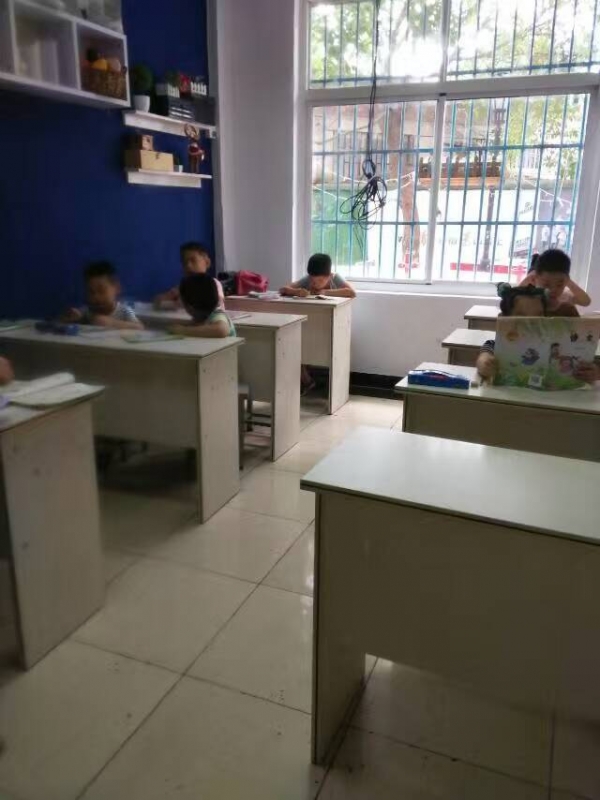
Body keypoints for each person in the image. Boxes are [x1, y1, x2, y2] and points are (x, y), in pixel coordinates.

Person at [477, 283, 597, 383]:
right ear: (505, 319)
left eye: (538, 317)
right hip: (510, 399)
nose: (531, 323)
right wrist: (484, 363)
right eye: (522, 317)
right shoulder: (499, 344)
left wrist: (594, 373)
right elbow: (486, 354)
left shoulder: (558, 344)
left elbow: (589, 362)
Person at [62, 261, 142, 330]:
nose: (96, 297)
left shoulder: (125, 310)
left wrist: (112, 323)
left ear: (117, 288)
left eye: (101, 291)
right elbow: (61, 324)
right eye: (91, 292)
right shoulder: (86, 312)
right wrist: (71, 319)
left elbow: (140, 327)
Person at [154, 242, 224, 310]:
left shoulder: (213, 284)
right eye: (184, 262)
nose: (188, 265)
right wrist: (172, 300)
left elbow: (217, 303)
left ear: (207, 262)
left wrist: (186, 303)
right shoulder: (183, 287)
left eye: (193, 260)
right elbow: (157, 302)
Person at [169, 274, 236, 339]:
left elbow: (222, 330)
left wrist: (184, 330)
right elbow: (195, 324)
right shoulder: (201, 316)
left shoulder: (217, 314)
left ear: (190, 307)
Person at [520, 250, 591, 310]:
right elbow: (513, 301)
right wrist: (528, 278)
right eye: (546, 285)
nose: (553, 290)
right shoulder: (530, 298)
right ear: (535, 279)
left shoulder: (564, 297)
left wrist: (569, 282)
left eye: (559, 285)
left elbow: (586, 302)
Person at [280, 253, 356, 299]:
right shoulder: (308, 279)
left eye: (320, 280)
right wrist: (296, 292)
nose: (316, 284)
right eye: (312, 280)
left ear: (330, 276)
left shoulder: (335, 278)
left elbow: (352, 293)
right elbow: (282, 289)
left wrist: (324, 292)